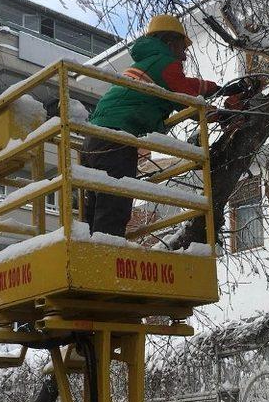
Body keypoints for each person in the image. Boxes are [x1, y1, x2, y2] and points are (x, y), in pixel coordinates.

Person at [83, 14, 237, 237]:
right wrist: (221, 116)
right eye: (183, 47)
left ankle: (88, 249)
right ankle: (105, 254)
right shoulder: (166, 63)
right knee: (114, 204)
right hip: (116, 138)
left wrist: (217, 88)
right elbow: (186, 100)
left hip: (94, 137)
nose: (184, 56)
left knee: (96, 204)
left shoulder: (149, 63)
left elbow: (184, 84)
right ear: (170, 42)